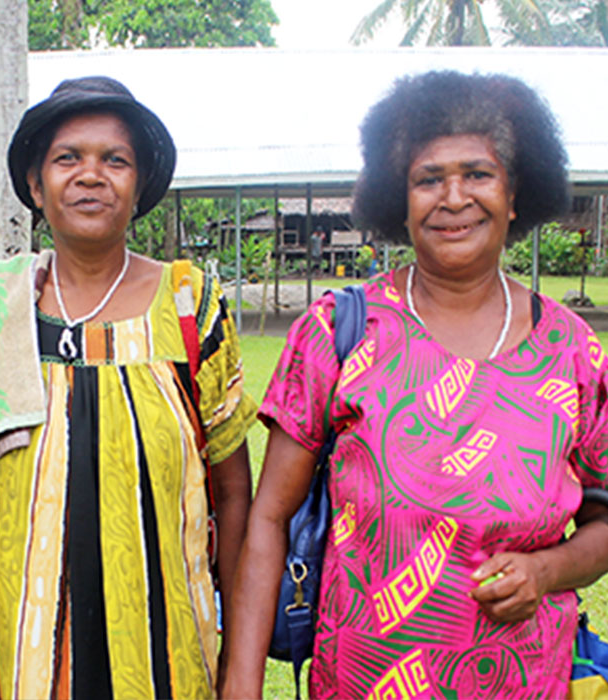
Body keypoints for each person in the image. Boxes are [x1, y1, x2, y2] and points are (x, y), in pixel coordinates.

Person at [222, 71, 608, 699]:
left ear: (515, 194)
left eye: (478, 174)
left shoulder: (574, 352)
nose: (454, 197)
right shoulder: (338, 331)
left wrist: (547, 570)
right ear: (398, 203)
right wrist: (240, 687)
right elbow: (268, 518)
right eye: (428, 179)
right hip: (358, 683)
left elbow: (602, 521)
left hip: (524, 682)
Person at [0, 76, 256, 699]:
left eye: (115, 160)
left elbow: (232, 486)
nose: (91, 175)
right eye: (68, 158)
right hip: (16, 649)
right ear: (36, 184)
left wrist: (237, 651)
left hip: (165, 649)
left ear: (139, 185)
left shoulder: (191, 303)